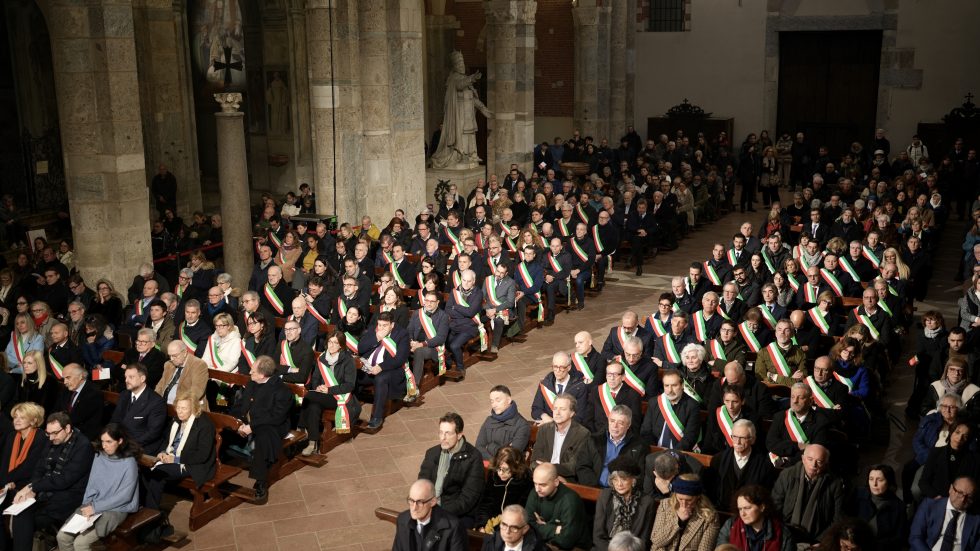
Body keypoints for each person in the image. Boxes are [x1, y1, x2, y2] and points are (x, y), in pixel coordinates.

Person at [9, 412, 94, 551]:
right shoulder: (52, 440)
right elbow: (39, 469)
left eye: (55, 433)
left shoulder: (83, 446)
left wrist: (33, 487)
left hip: (69, 497)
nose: (51, 437)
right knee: (21, 511)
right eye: (49, 433)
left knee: (24, 519)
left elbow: (64, 480)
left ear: (67, 429)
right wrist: (30, 488)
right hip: (47, 492)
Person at [55, 423, 140, 551]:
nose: (104, 445)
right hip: (93, 505)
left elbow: (124, 496)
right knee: (62, 537)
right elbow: (92, 485)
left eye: (109, 442)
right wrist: (87, 505)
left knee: (80, 544)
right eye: (102, 441)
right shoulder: (99, 456)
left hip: (115, 509)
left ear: (120, 441)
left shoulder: (129, 462)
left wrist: (96, 507)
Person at [229, 355, 292, 504]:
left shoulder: (282, 390)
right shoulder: (252, 383)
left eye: (253, 371)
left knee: (264, 437)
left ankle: (261, 481)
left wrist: (252, 426)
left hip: (272, 425)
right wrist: (236, 422)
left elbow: (276, 417)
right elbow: (242, 405)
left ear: (263, 375)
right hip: (250, 422)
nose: (250, 372)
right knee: (222, 427)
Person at [143, 394, 217, 510]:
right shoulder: (177, 420)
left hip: (193, 464)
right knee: (143, 468)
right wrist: (163, 451)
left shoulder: (205, 425)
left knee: (157, 474)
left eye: (184, 408)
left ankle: (150, 513)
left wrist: (176, 459)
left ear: (193, 409)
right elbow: (167, 440)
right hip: (173, 457)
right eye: (178, 407)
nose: (179, 412)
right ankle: (143, 506)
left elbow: (202, 455)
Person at [299, 331, 360, 455]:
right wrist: (318, 387)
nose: (331, 345)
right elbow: (315, 378)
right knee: (313, 406)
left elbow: (349, 385)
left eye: (335, 343)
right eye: (330, 342)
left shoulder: (347, 360)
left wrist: (329, 390)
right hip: (321, 395)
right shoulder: (322, 358)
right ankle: (313, 443)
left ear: (341, 346)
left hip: (339, 396)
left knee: (308, 396)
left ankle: (300, 427)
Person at [417, 412, 484, 522]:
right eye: (441, 432)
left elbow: (468, 497)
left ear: (459, 435)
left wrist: (440, 512)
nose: (443, 437)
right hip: (430, 507)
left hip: (458, 513)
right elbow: (422, 483)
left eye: (448, 433)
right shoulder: (432, 453)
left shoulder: (473, 458)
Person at [771, 444, 844, 544]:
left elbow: (837, 519)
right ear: (803, 459)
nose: (814, 465)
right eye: (810, 459)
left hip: (817, 540)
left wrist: (821, 541)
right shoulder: (787, 475)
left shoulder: (835, 484)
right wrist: (783, 535)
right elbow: (775, 507)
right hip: (785, 534)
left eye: (819, 462)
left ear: (826, 464)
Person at [429, 51, 491, 169]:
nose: (461, 65)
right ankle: (461, 155)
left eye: (462, 63)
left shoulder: (465, 79)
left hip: (469, 115)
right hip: (459, 116)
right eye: (459, 63)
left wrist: (483, 109)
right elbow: (459, 85)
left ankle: (471, 155)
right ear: (455, 66)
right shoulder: (454, 78)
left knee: (470, 135)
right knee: (461, 135)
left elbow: (473, 99)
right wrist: (472, 78)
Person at [702, 419, 777, 512]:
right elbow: (710, 490)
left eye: (742, 438)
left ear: (752, 440)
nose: (738, 442)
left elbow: (765, 496)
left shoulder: (764, 465)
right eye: (735, 437)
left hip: (750, 516)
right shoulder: (718, 460)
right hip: (721, 512)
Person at [528, 394, 600, 485]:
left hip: (566, 479)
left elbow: (573, 466)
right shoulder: (544, 429)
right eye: (555, 408)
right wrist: (550, 475)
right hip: (542, 477)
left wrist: (549, 469)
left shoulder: (582, 434)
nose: (557, 412)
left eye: (562, 409)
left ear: (572, 413)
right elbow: (534, 460)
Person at [357, 311, 410, 430]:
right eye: (379, 325)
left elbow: (400, 359)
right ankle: (351, 411)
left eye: (384, 325)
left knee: (381, 379)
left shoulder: (402, 334)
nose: (381, 328)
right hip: (369, 366)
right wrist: (376, 337)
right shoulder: (373, 330)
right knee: (352, 372)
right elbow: (361, 348)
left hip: (390, 368)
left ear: (392, 325)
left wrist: (381, 367)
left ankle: (377, 417)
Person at [593, 456, 655, 551]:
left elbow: (644, 539)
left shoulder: (647, 502)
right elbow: (598, 536)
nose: (619, 484)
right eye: (615, 480)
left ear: (633, 480)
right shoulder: (605, 496)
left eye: (624, 479)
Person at [525, 462, 592, 550]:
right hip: (544, 542)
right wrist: (555, 529)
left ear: (556, 482)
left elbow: (566, 540)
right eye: (535, 483)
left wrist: (542, 527)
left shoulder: (570, 501)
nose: (537, 489)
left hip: (573, 547)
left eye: (543, 485)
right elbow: (526, 525)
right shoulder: (535, 493)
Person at [392, 478, 466, 551]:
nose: (414, 508)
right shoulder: (402, 519)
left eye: (420, 502)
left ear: (433, 502)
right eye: (411, 501)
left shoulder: (454, 527)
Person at [649, 474, 720, 551]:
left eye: (689, 500)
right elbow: (657, 540)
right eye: (680, 499)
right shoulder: (665, 505)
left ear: (698, 497)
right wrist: (678, 522)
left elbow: (705, 549)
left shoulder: (710, 516)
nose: (684, 504)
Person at [909, 475, 980, 551]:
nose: (963, 499)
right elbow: (915, 536)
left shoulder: (977, 517)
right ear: (951, 489)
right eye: (960, 493)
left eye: (968, 497)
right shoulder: (929, 505)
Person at [109, 364, 167, 455]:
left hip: (141, 446)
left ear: (142, 379)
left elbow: (152, 433)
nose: (126, 380)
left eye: (131, 377)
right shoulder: (124, 395)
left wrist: (126, 445)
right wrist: (112, 438)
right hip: (121, 442)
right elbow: (115, 421)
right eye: (125, 377)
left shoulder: (156, 401)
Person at [0, 403, 46, 513]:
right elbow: (4, 463)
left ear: (33, 421)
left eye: (22, 417)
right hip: (10, 481)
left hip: (27, 483)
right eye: (15, 417)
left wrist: (8, 482)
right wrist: (4, 483)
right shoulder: (12, 435)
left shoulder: (41, 437)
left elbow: (29, 468)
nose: (17, 420)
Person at [715, 484, 792, 551]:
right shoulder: (731, 526)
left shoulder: (781, 533)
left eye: (747, 508)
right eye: (740, 509)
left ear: (762, 507)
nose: (742, 513)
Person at [847, 465, 907, 549]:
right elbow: (846, 520)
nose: (874, 484)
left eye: (880, 480)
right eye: (871, 479)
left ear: (889, 482)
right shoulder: (858, 494)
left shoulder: (899, 507)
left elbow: (899, 539)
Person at [640, 370, 702, 450]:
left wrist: (672, 454)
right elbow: (646, 431)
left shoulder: (692, 406)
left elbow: (689, 438)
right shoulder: (654, 402)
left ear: (682, 385)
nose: (670, 390)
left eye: (674, 385)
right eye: (666, 385)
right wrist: (654, 450)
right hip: (654, 451)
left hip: (678, 454)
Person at [918, 420, 979, 499]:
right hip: (936, 498)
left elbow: (975, 488)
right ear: (951, 432)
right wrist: (936, 497)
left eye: (965, 436)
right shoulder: (936, 452)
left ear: (968, 440)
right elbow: (923, 482)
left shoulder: (975, 459)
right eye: (957, 432)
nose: (959, 438)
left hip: (961, 502)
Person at [530, 352, 588, 424]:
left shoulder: (580, 387)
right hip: (547, 428)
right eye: (555, 367)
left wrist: (553, 423)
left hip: (569, 431)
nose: (557, 371)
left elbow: (579, 417)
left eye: (561, 367)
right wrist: (544, 416)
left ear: (569, 367)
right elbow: (535, 409)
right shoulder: (545, 384)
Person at [475, 385, 531, 460]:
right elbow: (478, 448)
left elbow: (511, 456)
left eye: (498, 400)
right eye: (492, 401)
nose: (494, 405)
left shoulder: (522, 425)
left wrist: (490, 447)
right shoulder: (488, 420)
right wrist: (495, 460)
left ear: (508, 400)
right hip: (488, 466)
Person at [156, 340, 209, 408]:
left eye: (175, 356)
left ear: (184, 353)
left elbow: (196, 392)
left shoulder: (198, 365)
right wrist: (155, 400)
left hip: (186, 407)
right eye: (170, 356)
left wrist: (178, 405)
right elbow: (160, 386)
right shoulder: (168, 364)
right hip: (163, 405)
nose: (171, 359)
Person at [57, 363, 102, 441]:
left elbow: (79, 419)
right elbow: (56, 409)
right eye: (64, 378)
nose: (65, 382)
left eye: (68, 378)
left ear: (80, 376)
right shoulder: (66, 390)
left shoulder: (93, 393)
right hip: (66, 428)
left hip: (82, 435)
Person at [480, 504, 545, 551]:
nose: (507, 531)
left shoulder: (539, 548)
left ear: (525, 529)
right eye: (504, 525)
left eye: (514, 528)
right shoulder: (489, 543)